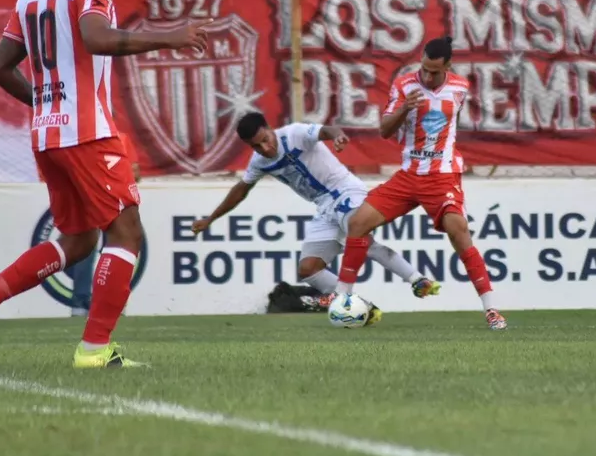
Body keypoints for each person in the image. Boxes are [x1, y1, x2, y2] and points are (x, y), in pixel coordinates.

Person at [0, 0, 209, 368]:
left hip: (48, 135)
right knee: (126, 233)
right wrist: (170, 35)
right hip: (87, 133)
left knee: (78, 241)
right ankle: (94, 349)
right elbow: (97, 39)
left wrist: (45, 103)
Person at [191, 113, 440, 325]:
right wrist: (210, 219)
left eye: (265, 140)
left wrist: (337, 136)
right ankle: (361, 307)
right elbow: (241, 190)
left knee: (359, 235)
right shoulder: (259, 162)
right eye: (256, 146)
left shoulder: (295, 134)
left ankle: (418, 280)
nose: (264, 148)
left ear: (269, 129)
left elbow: (326, 130)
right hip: (323, 207)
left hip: (345, 190)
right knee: (308, 269)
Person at [336, 36, 507, 330]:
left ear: (447, 67)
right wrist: (404, 108)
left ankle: (491, 309)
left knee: (459, 231)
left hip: (441, 177)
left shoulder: (460, 88)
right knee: (358, 222)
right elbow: (385, 131)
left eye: (434, 71)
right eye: (424, 69)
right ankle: (341, 298)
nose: (427, 76)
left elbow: (447, 128)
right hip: (408, 175)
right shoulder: (404, 85)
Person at [67, 132, 142, 317]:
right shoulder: (80, 138)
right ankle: (80, 301)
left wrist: (112, 174)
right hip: (89, 199)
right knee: (86, 249)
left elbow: (135, 171)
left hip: (116, 201)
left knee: (117, 250)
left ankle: (112, 302)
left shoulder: (122, 138)